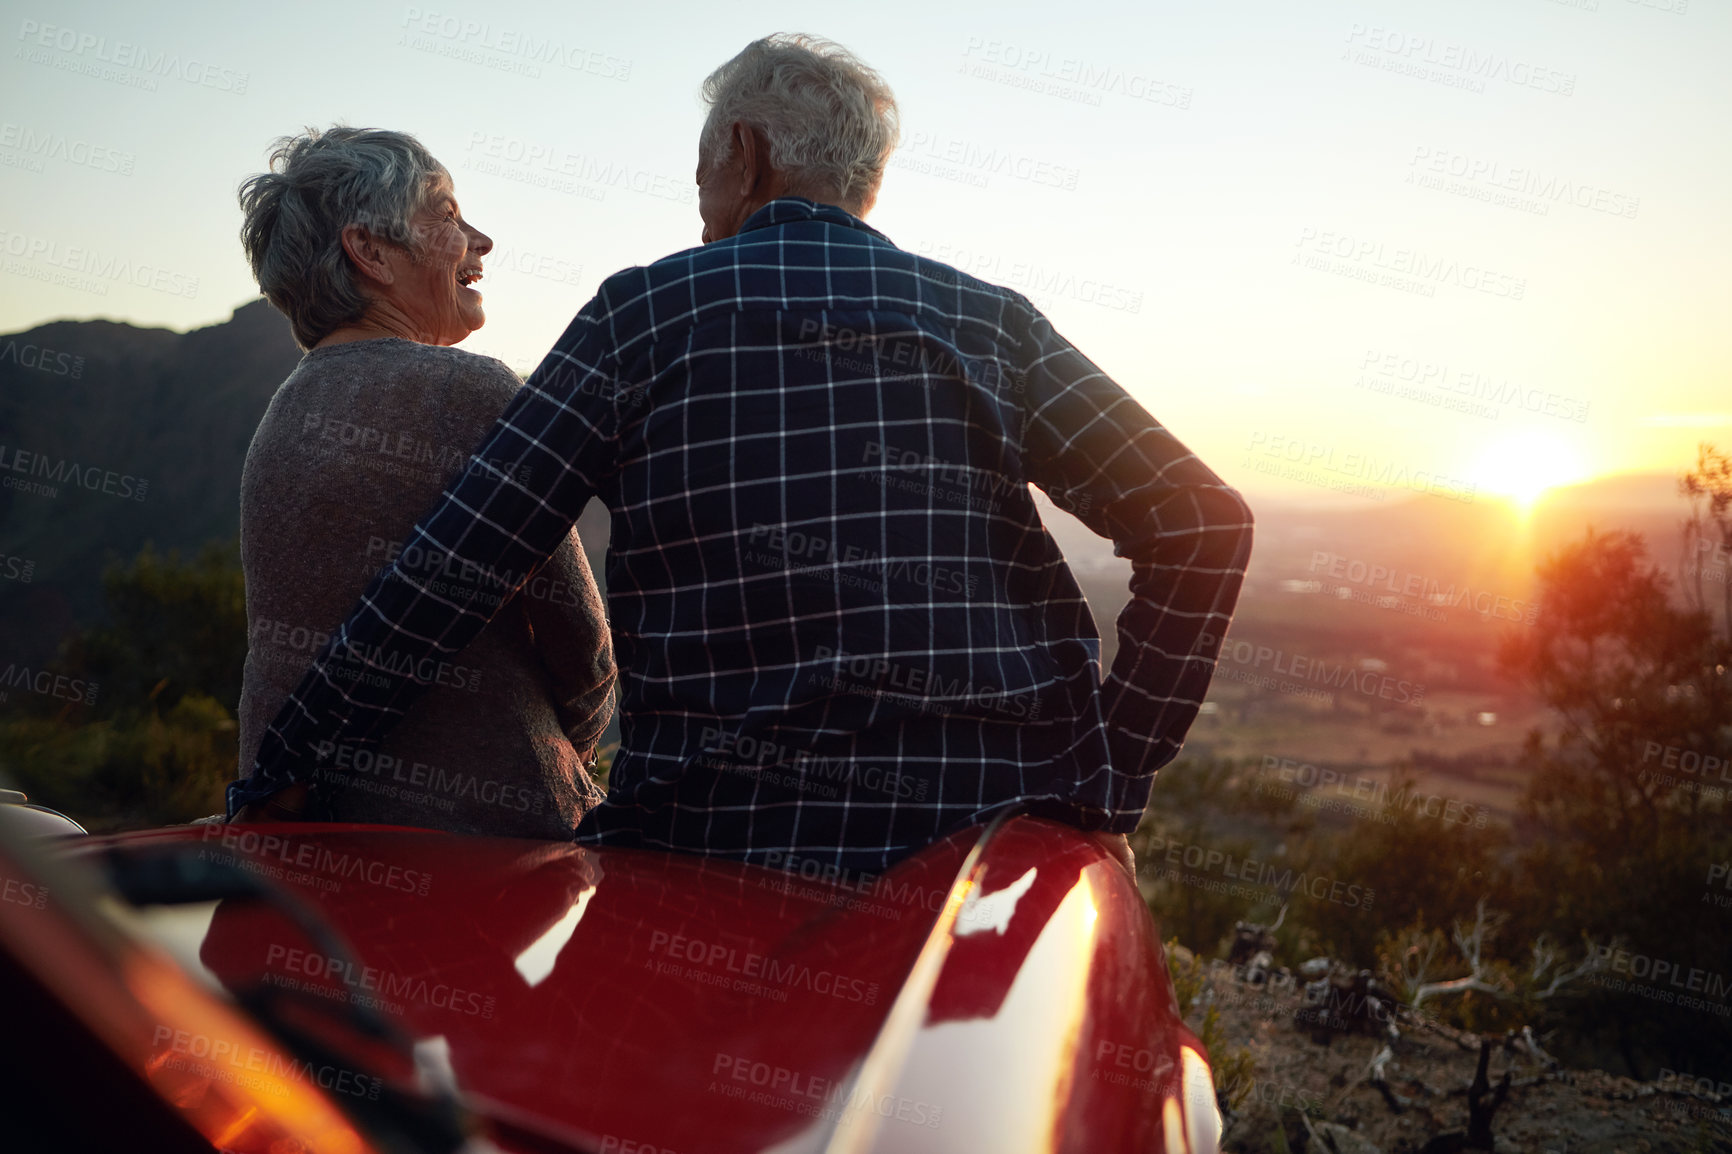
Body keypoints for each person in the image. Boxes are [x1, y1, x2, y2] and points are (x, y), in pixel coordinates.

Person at [228, 39, 1253, 874]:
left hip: (710, 846)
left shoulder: (640, 316)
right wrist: (1109, 772)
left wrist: (282, 768)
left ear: (748, 154)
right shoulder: (988, 321)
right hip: (987, 839)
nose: (701, 204)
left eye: (705, 172)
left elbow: (455, 569)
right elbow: (1203, 521)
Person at [230, 126, 615, 837]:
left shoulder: (280, 418)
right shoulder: (472, 390)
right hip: (491, 844)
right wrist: (570, 757)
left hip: (300, 835)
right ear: (370, 251)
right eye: (445, 214)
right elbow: (584, 646)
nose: (481, 240)